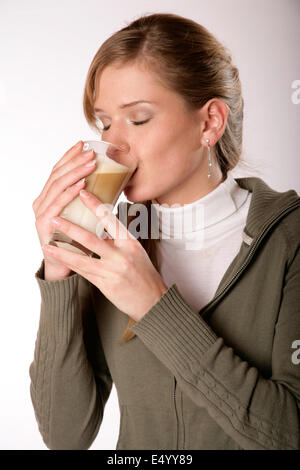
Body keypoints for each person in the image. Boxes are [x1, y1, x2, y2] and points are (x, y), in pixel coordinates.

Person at [29, 13, 300, 450]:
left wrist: (155, 305)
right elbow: (64, 436)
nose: (116, 145)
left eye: (138, 119)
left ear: (209, 122)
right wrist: (60, 269)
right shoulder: (112, 244)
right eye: (104, 123)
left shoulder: (290, 237)